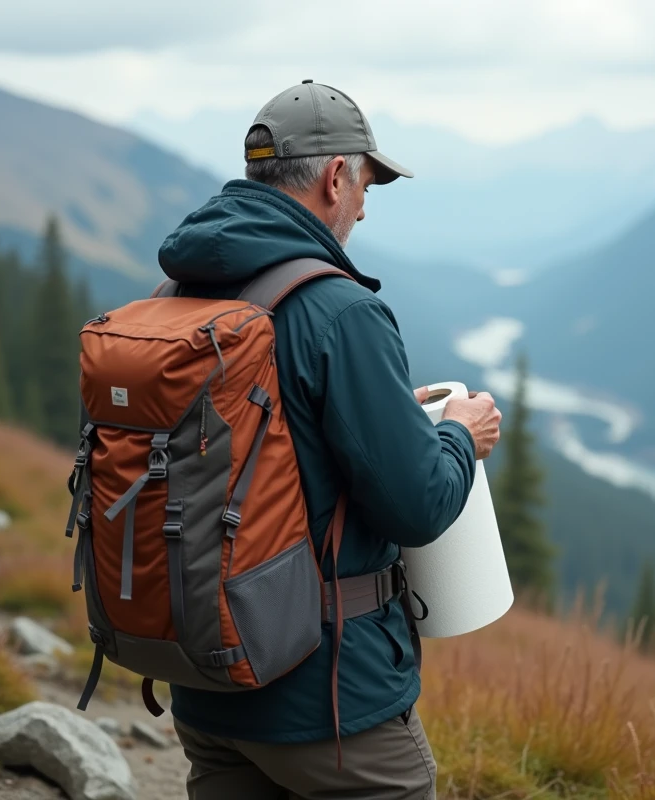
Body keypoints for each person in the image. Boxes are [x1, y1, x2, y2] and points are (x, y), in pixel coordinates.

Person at [155, 79, 504, 799]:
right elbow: (418, 505)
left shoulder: (179, 295)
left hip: (205, 679)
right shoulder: (341, 312)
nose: (366, 205)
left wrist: (381, 417)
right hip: (327, 700)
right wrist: (462, 440)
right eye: (368, 182)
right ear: (335, 176)